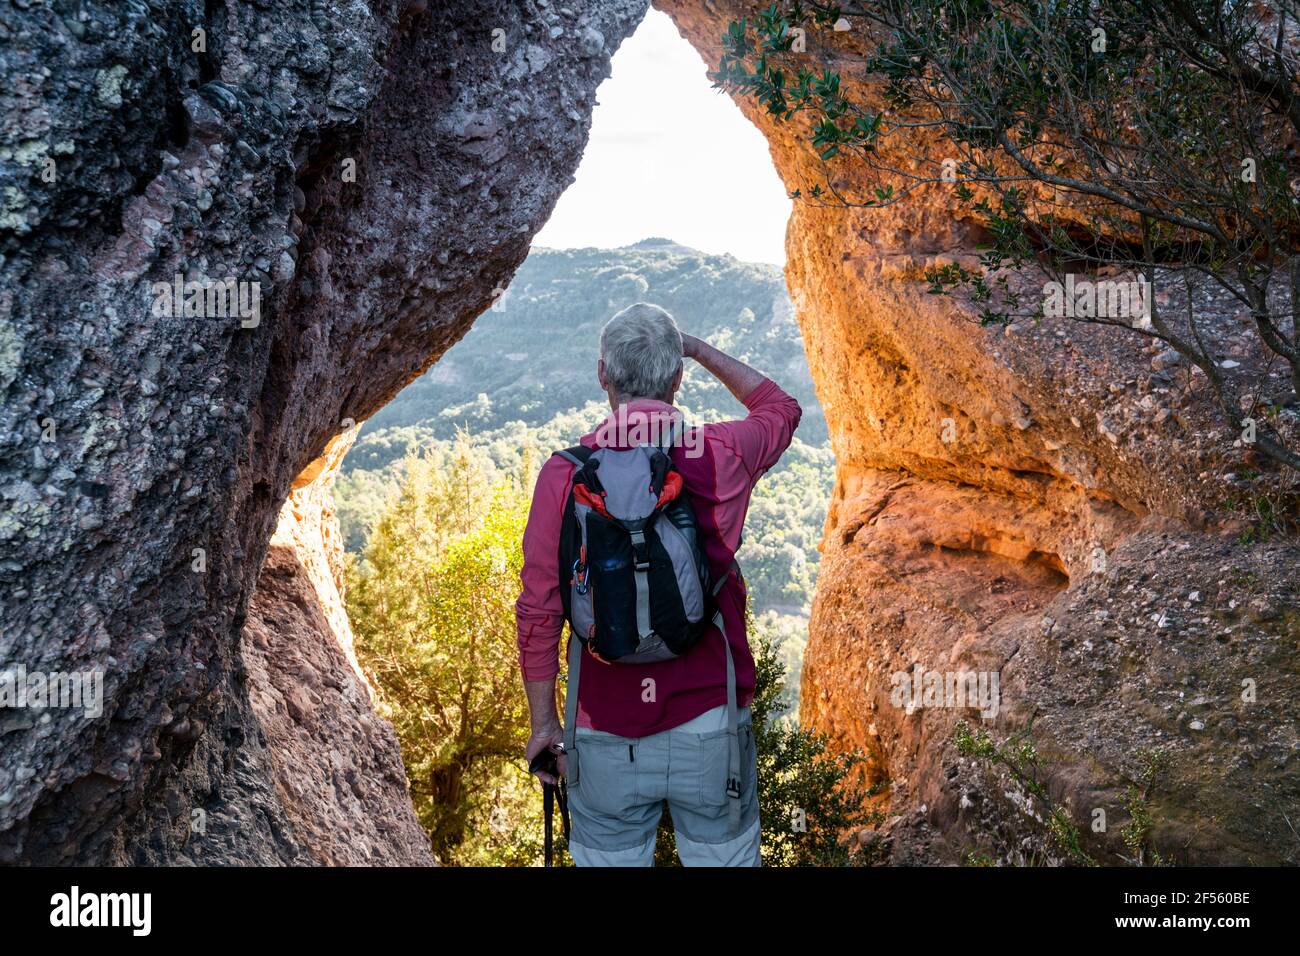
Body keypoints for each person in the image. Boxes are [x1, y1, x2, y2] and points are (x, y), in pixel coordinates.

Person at [515, 302, 801, 866]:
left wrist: (546, 726)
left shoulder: (565, 473)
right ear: (676, 377)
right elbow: (781, 408)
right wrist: (692, 348)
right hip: (710, 725)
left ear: (603, 375)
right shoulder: (715, 454)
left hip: (602, 731)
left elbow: (540, 611)